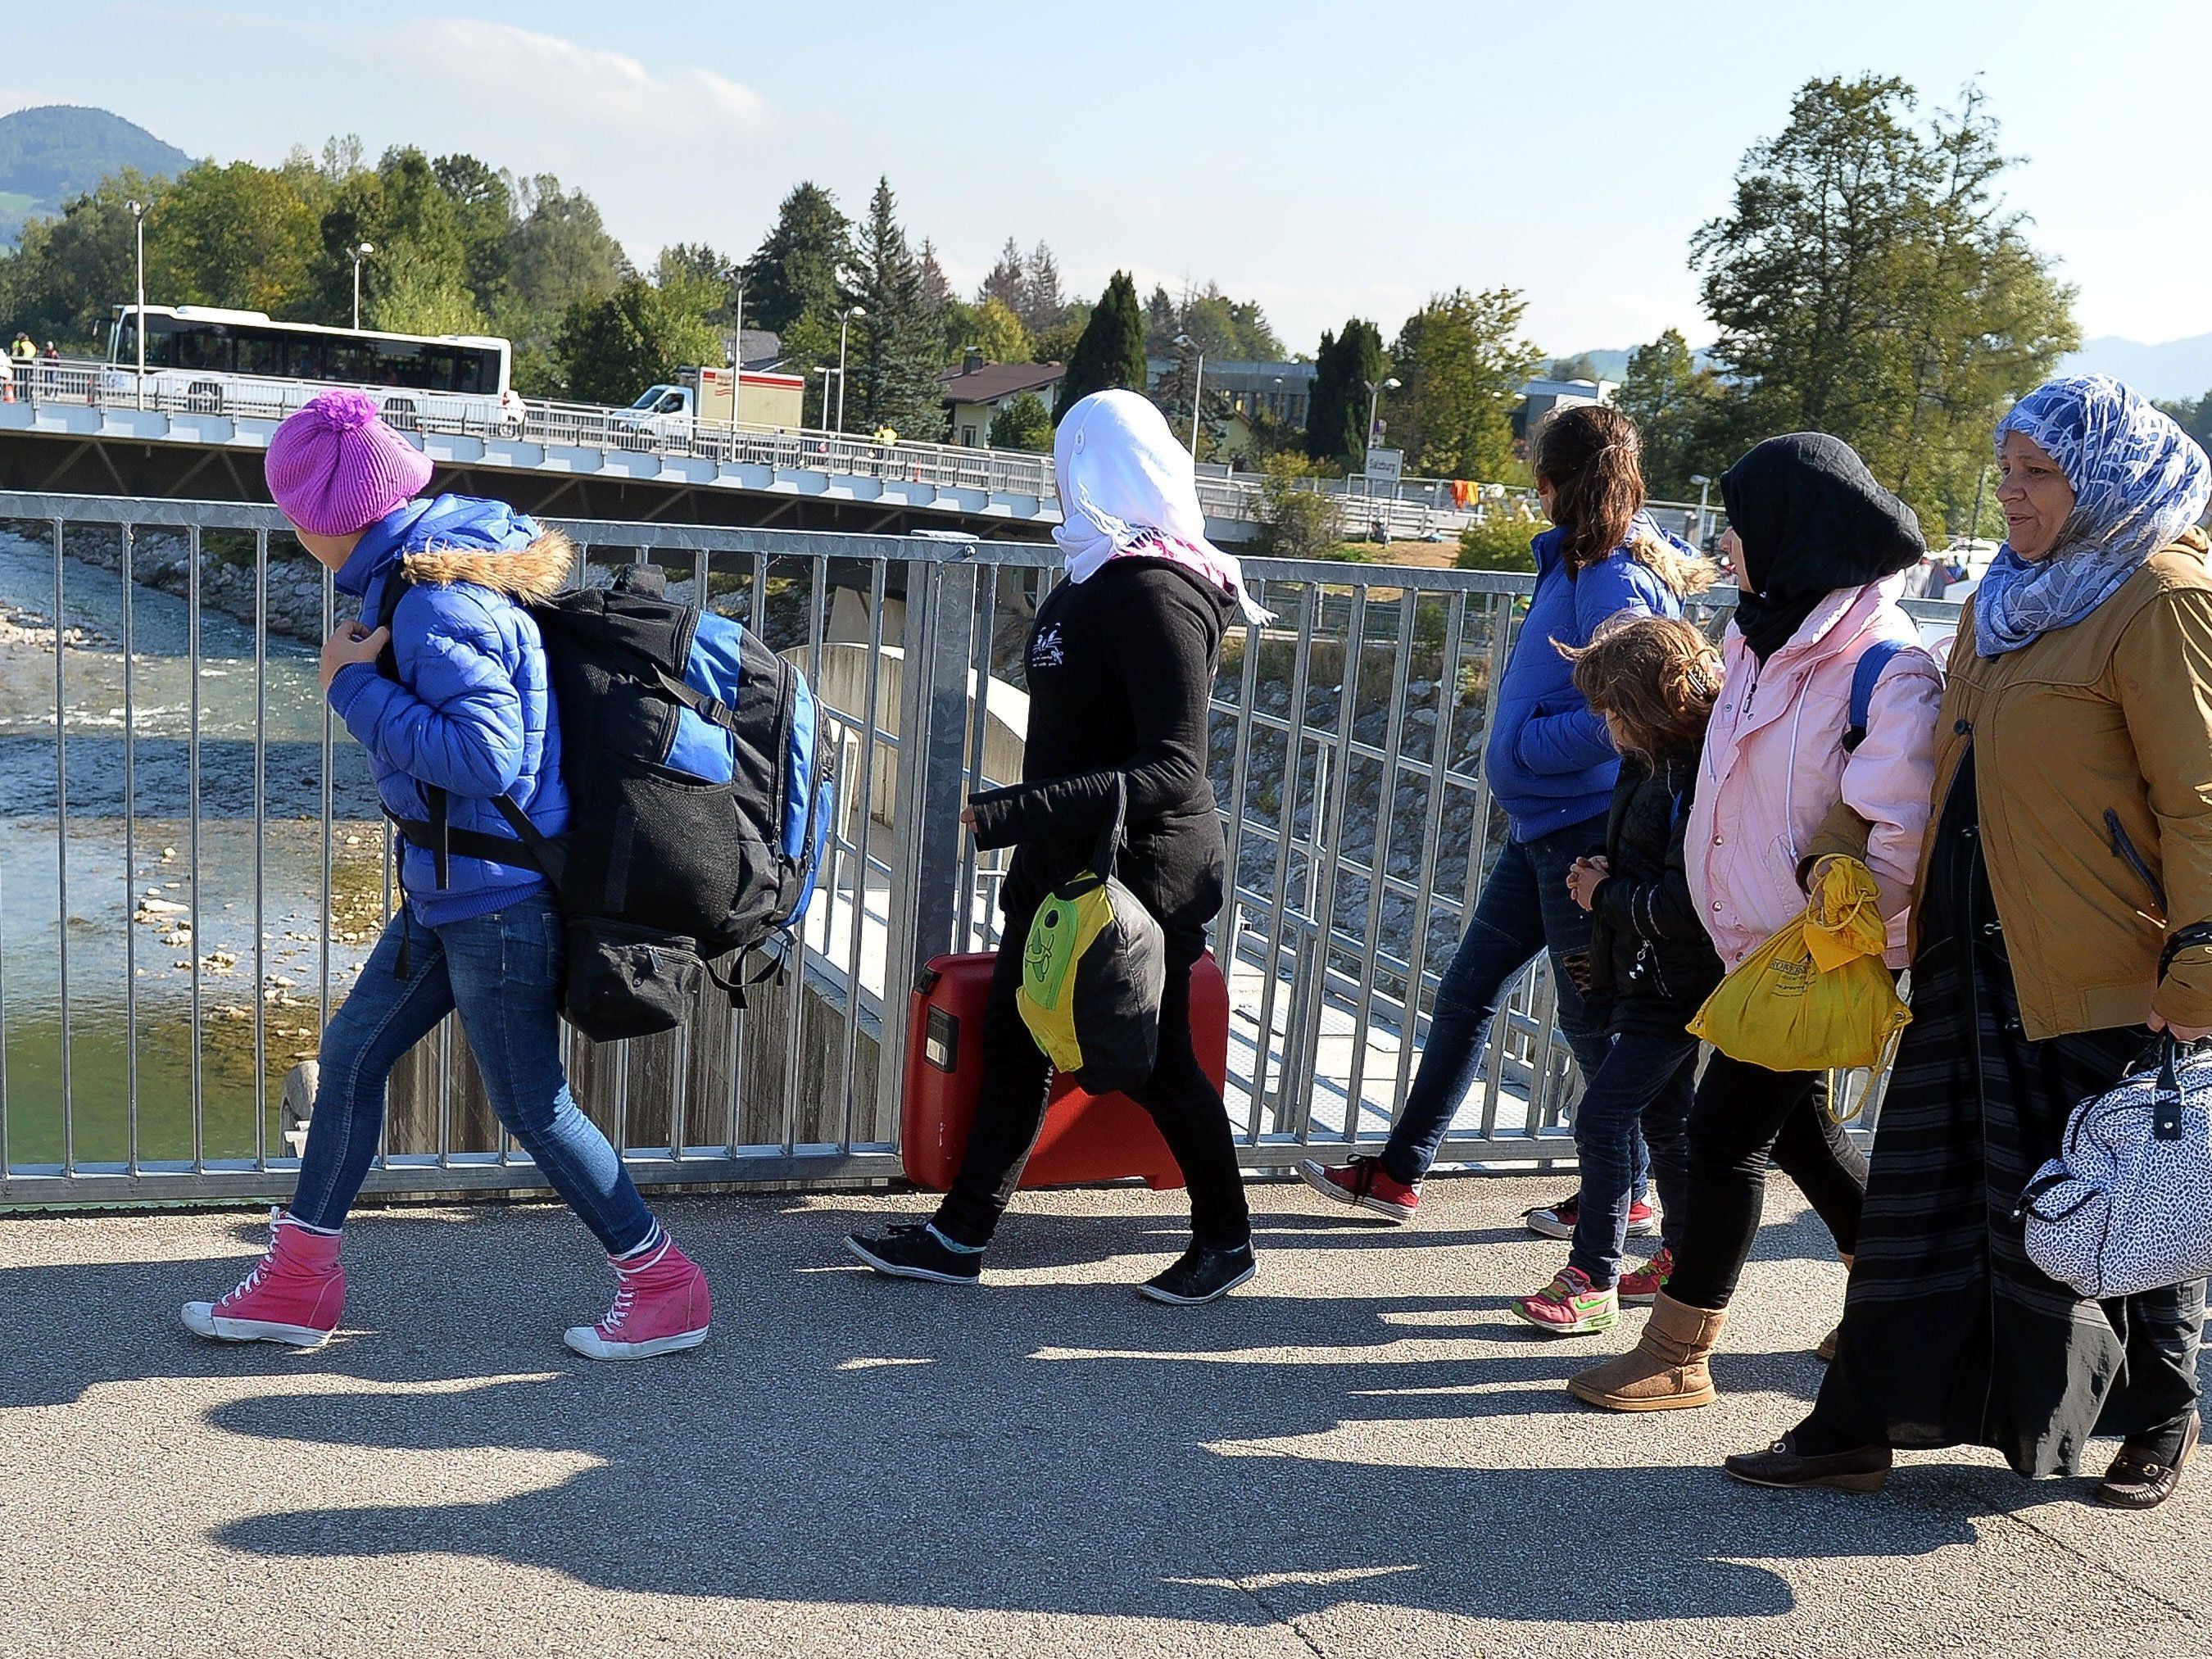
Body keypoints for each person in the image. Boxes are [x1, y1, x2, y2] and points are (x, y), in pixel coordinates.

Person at [1727, 376, 2212, 1504]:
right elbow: (1944, 751)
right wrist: (1852, 844)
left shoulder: (2162, 597)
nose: (2012, 495)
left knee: (2116, 1192)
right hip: (1971, 952)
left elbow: (2199, 796)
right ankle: (1858, 1423)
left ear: (2104, 482)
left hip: (2103, 963)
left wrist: (2201, 959)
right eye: (2006, 471)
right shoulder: (2009, 595)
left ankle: (2163, 1412)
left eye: (2038, 474)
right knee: (1926, 1199)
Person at [179, 389, 712, 1360]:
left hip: (497, 900)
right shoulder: (421, 576)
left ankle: (665, 1283)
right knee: (348, 1063)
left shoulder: (432, 598)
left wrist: (352, 688)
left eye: (292, 512)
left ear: (325, 517)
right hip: (452, 888)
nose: (291, 529)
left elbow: (485, 758)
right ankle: (298, 1286)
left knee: (532, 1107)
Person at [845, 389, 1267, 1305]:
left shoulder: (1160, 592)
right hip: (1066, 859)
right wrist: (1033, 826)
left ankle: (1228, 1239)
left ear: (1099, 467)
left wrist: (1013, 813)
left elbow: (1174, 768)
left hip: (1142, 871)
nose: (1057, 480)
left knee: (1153, 1058)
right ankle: (959, 1236)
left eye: (1067, 459)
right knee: (1015, 1036)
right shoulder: (1089, 576)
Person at [1568, 433, 1942, 1412]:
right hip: (1751, 943)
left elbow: (1894, 840)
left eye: (1738, 521)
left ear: (1793, 532)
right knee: (1801, 1135)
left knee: (1722, 1135)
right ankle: (1889, 1307)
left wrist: (1824, 937)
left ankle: (1678, 1355)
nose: (1724, 539)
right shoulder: (1756, 640)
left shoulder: (1886, 668)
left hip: (1809, 952)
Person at [1299, 405, 1713, 1230]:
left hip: (1582, 833)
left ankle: (1631, 1199)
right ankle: (1400, 1173)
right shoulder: (1579, 562)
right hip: (1545, 830)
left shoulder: (1614, 579)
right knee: (1467, 994)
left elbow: (1639, 708)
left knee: (1593, 1026)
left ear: (1550, 482)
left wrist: (1522, 744)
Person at [1511, 617, 1726, 1335]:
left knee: (1603, 1116)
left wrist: (1600, 894)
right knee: (1667, 1119)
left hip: (1671, 979)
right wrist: (1606, 875)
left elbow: (1681, 905)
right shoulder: (1652, 764)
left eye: (1612, 711)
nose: (1605, 726)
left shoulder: (1689, 779)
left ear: (1649, 705)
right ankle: (1682, 1251)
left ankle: (1593, 1273)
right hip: (1648, 972)